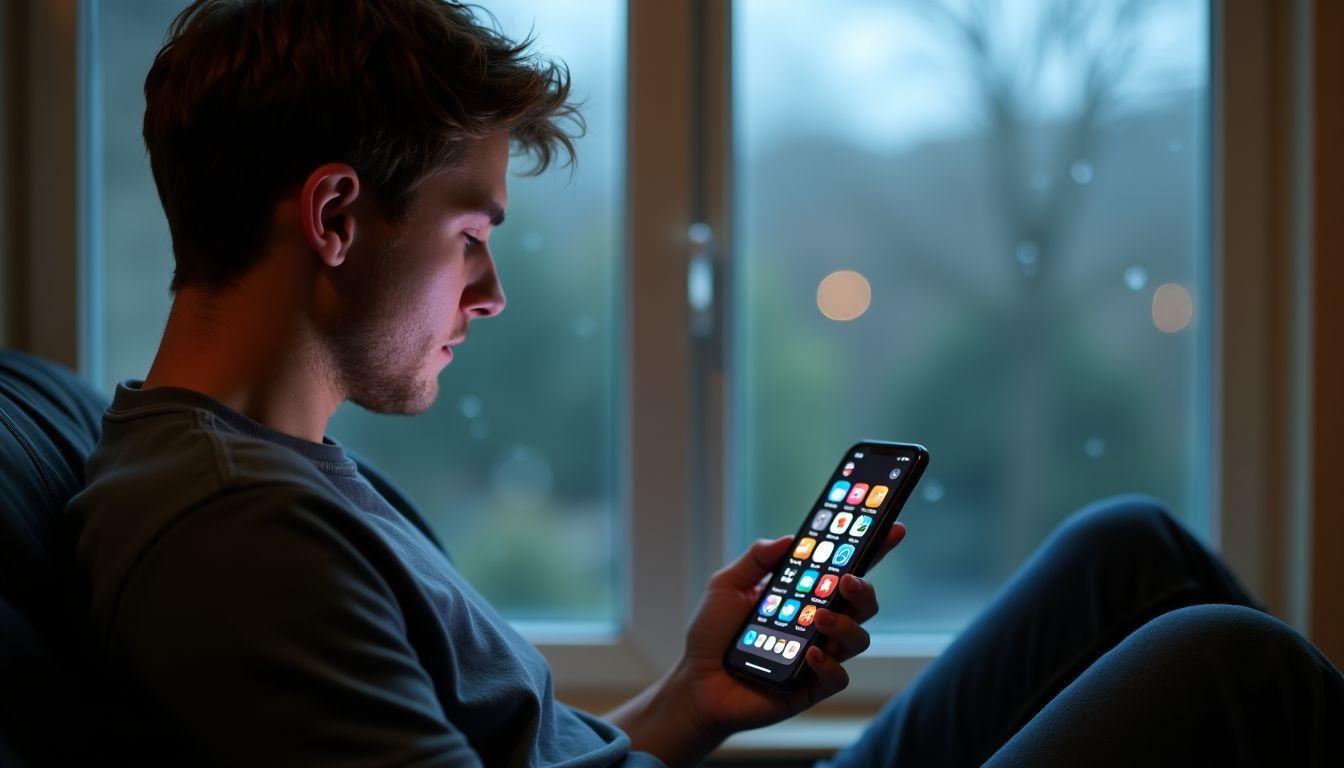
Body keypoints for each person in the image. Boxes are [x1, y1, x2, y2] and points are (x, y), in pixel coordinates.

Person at [66, 1, 1342, 766]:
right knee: (1229, 668)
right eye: (470, 232)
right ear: (337, 215)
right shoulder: (238, 538)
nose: (493, 289)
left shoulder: (274, 477)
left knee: (1128, 552)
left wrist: (691, 699)